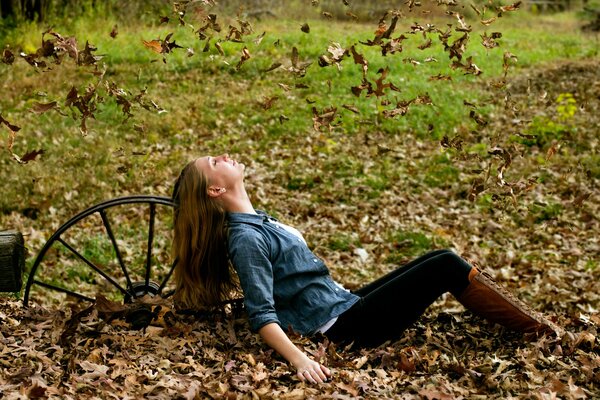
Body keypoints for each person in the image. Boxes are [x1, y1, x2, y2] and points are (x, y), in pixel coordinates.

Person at [171, 154, 560, 384]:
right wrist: (300, 359)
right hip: (343, 329)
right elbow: (261, 313)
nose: (222, 156)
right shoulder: (246, 239)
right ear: (215, 190)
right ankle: (541, 332)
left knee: (436, 256)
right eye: (213, 162)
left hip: (343, 305)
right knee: (445, 266)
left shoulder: (256, 222)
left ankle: (535, 325)